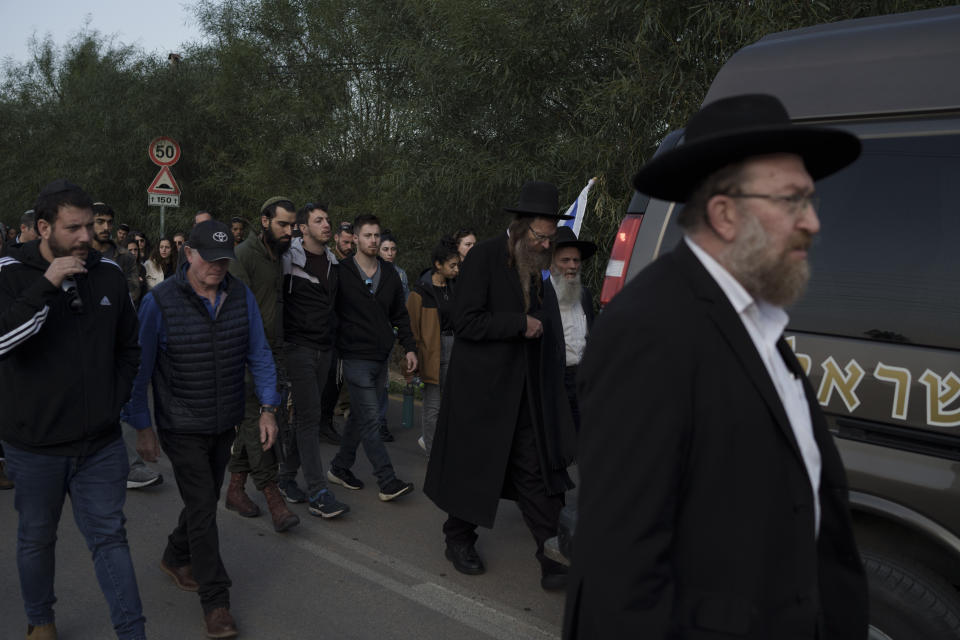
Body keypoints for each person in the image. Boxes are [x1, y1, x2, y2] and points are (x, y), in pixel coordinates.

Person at [563, 94, 869, 639]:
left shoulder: (758, 318)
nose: (814, 223)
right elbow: (620, 574)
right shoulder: (650, 331)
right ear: (726, 214)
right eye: (794, 201)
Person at [0, 179, 146, 640]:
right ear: (43, 228)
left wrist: (114, 400)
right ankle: (40, 621)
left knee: (110, 539)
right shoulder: (11, 274)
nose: (86, 237)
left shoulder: (106, 273)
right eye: (74, 228)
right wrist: (48, 284)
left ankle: (133, 633)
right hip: (35, 446)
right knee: (36, 539)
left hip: (99, 444)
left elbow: (129, 347)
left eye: (90, 226)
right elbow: (4, 341)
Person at [125, 219, 281, 639]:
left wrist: (268, 409)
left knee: (205, 500)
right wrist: (143, 426)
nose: (217, 268)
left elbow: (260, 354)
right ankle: (216, 602)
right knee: (202, 507)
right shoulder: (159, 303)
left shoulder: (240, 295)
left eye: (224, 260)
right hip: (181, 424)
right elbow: (139, 372)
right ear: (188, 254)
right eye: (209, 259)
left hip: (224, 419)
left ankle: (176, 554)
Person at [424, 181, 576, 591]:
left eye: (550, 238)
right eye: (540, 237)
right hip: (484, 393)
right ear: (521, 227)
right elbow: (465, 319)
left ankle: (553, 559)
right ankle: (457, 540)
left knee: (537, 474)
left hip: (526, 395)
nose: (546, 245)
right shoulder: (486, 257)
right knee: (477, 470)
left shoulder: (535, 266)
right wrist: (518, 324)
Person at [327, 213, 417, 502]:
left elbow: (400, 316)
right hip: (353, 358)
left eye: (377, 235)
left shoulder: (390, 274)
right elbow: (329, 313)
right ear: (355, 238)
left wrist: (410, 347)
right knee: (369, 419)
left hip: (381, 356)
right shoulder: (340, 272)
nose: (374, 240)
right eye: (367, 235)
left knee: (360, 416)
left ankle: (340, 467)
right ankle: (387, 480)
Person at [224, 197, 300, 533]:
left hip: (273, 354)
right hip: (245, 355)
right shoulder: (244, 256)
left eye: (292, 226)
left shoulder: (277, 256)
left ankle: (235, 489)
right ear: (264, 222)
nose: (289, 231)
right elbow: (238, 313)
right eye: (283, 224)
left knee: (256, 422)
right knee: (259, 424)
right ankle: (273, 498)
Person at [276, 202, 350, 518]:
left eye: (328, 219)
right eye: (318, 220)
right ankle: (318, 490)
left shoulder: (334, 264)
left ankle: (285, 477)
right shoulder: (287, 260)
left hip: (324, 349)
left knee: (307, 415)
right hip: (298, 348)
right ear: (303, 228)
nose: (326, 224)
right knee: (308, 417)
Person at [406, 237, 460, 455]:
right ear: (438, 265)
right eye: (452, 265)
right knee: (433, 405)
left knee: (452, 403)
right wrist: (412, 361)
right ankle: (433, 450)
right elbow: (411, 328)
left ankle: (448, 447)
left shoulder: (455, 287)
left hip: (454, 346)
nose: (457, 269)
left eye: (458, 265)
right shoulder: (420, 292)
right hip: (432, 350)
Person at [544, 226, 596, 433]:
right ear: (551, 263)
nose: (572, 266)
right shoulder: (540, 298)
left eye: (576, 261)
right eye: (565, 260)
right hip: (557, 383)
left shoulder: (585, 295)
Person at [375, 229, 408, 441]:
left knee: (383, 380)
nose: (390, 253)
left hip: (387, 334)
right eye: (385, 249)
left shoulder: (400, 275)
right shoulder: (369, 271)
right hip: (366, 334)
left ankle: (380, 422)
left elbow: (403, 308)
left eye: (393, 249)